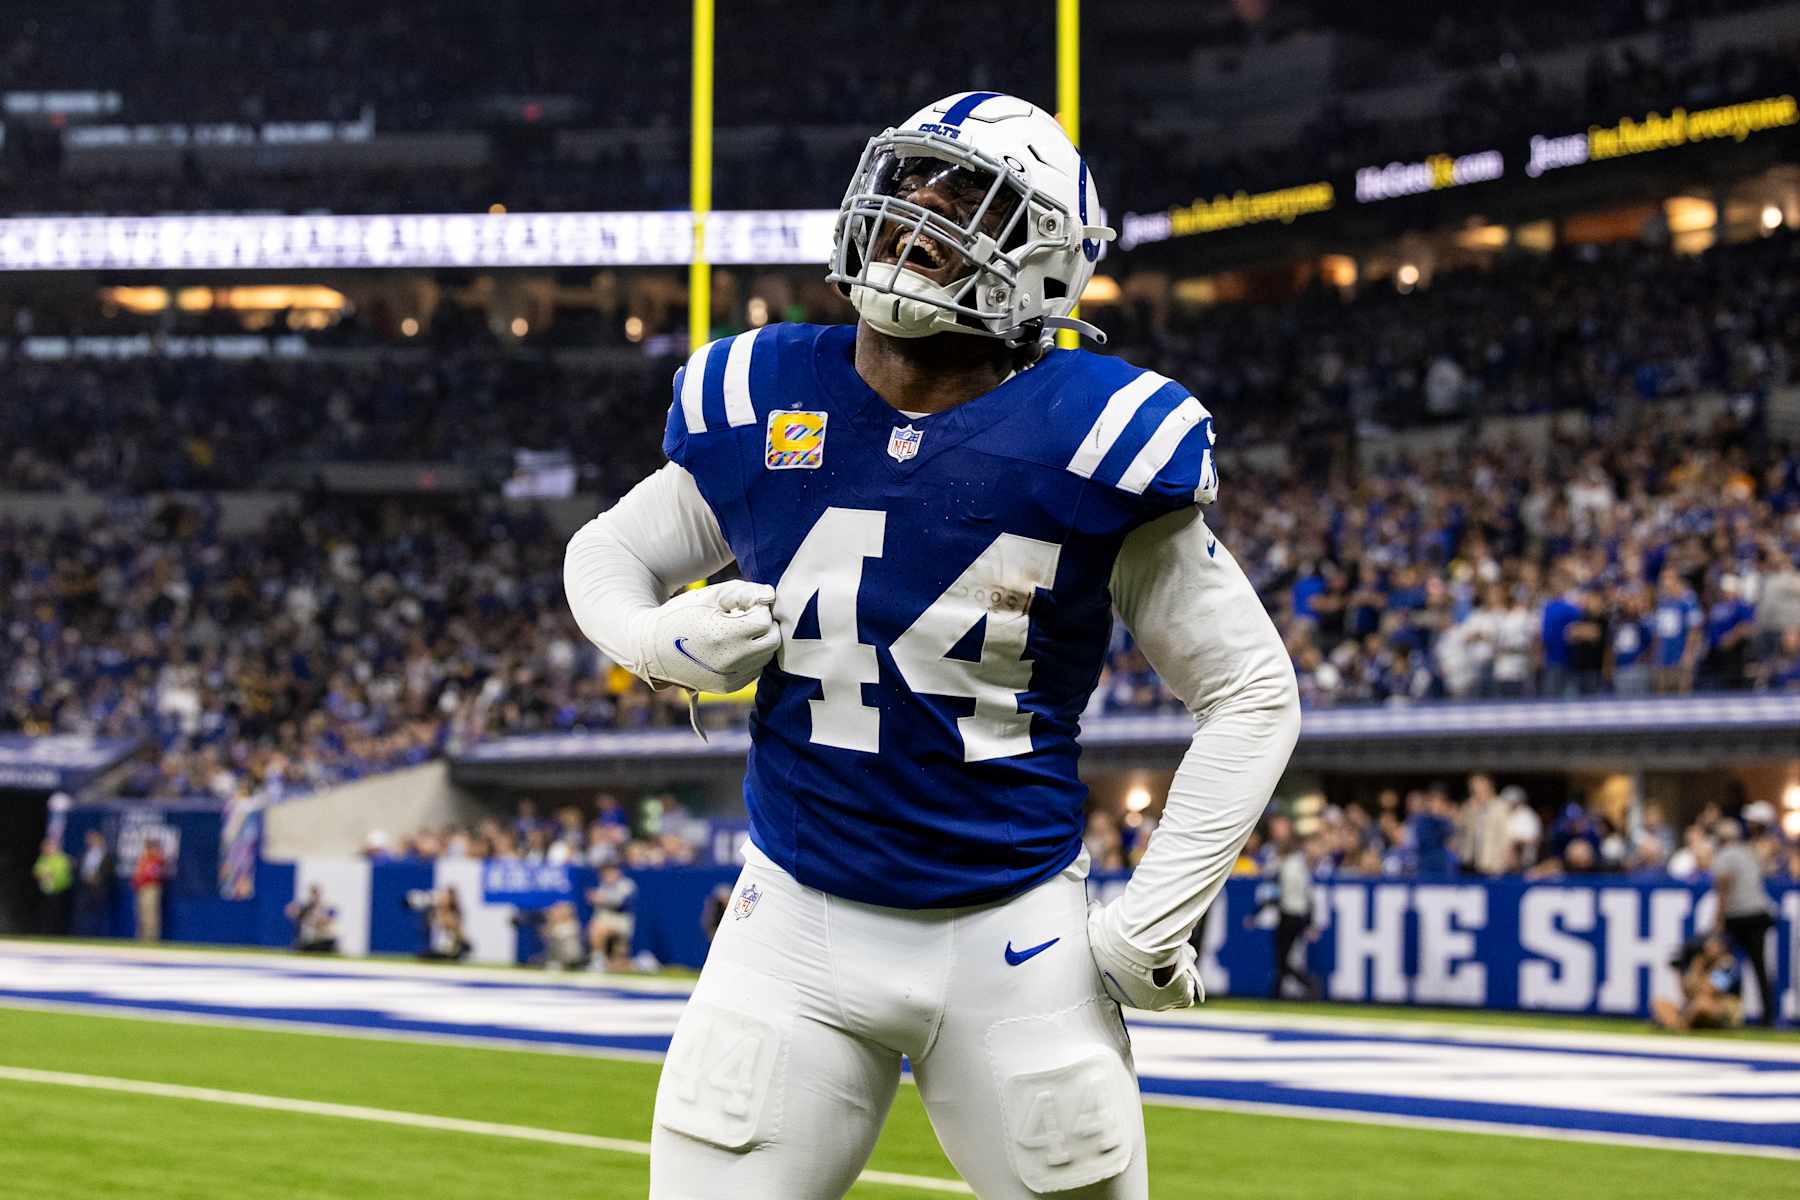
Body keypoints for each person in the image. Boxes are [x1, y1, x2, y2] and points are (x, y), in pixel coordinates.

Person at [565, 91, 1300, 1200]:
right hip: (792, 921)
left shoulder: (1095, 431)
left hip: (1013, 937)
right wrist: (654, 637)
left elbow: (1250, 692)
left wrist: (1152, 920)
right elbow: (607, 553)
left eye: (967, 199)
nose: (920, 211)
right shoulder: (766, 390)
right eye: (912, 182)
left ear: (1046, 263)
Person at [1710, 819, 1776, 1026]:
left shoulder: (1725, 855)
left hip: (1737, 916)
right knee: (1759, 966)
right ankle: (1768, 1014)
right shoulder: (1749, 852)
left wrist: (1718, 919)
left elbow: (1723, 888)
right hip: (1758, 914)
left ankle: (1724, 1009)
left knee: (1724, 964)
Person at [1251, 828, 1319, 999]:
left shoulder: (1284, 865)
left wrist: (1257, 912)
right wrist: (1310, 921)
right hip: (1299, 914)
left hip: (1288, 914)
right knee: (1283, 956)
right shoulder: (1300, 865)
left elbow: (1273, 893)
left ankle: (1304, 983)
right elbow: (1308, 896)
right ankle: (1278, 990)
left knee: (1282, 957)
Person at [1650, 934, 1744, 1031]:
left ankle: (1678, 1025)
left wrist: (1700, 969)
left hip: (1723, 1010)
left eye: (1714, 945)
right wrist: (1693, 968)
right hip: (1693, 1009)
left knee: (1701, 1004)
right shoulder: (1700, 963)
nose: (1709, 948)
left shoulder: (1727, 965)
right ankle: (1679, 1023)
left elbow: (1708, 991)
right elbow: (1687, 992)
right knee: (1659, 1003)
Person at [586, 863, 638, 970]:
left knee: (600, 929)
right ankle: (598, 960)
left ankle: (600, 960)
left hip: (621, 920)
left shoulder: (626, 884)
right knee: (595, 927)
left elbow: (620, 902)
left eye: (611, 872)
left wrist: (601, 898)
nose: (608, 875)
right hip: (605, 919)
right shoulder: (602, 885)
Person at [73, 829, 116, 937]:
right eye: (89, 839)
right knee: (82, 914)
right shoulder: (84, 854)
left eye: (94, 839)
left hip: (99, 888)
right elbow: (79, 868)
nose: (91, 841)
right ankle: (82, 936)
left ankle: (101, 936)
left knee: (100, 914)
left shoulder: (106, 855)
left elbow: (109, 871)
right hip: (85, 887)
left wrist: (98, 878)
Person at [32, 839, 74, 936]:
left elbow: (63, 875)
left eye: (48, 847)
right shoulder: (43, 858)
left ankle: (58, 933)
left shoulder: (61, 858)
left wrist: (51, 876)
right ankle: (45, 932)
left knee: (58, 914)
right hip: (46, 892)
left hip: (60, 892)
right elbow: (35, 871)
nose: (46, 849)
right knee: (46, 914)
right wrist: (42, 875)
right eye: (44, 847)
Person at [284, 883, 339, 953]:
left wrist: (316, 921)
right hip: (311, 940)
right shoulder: (307, 907)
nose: (315, 896)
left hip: (324, 939)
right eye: (313, 893)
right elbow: (291, 912)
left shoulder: (326, 906)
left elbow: (329, 919)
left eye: (317, 893)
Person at [131, 840, 168, 942]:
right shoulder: (144, 859)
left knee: (151, 914)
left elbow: (153, 874)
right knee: (141, 913)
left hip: (151, 888)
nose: (147, 850)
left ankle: (151, 938)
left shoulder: (157, 860)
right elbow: (139, 874)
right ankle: (142, 937)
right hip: (141, 888)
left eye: (150, 847)